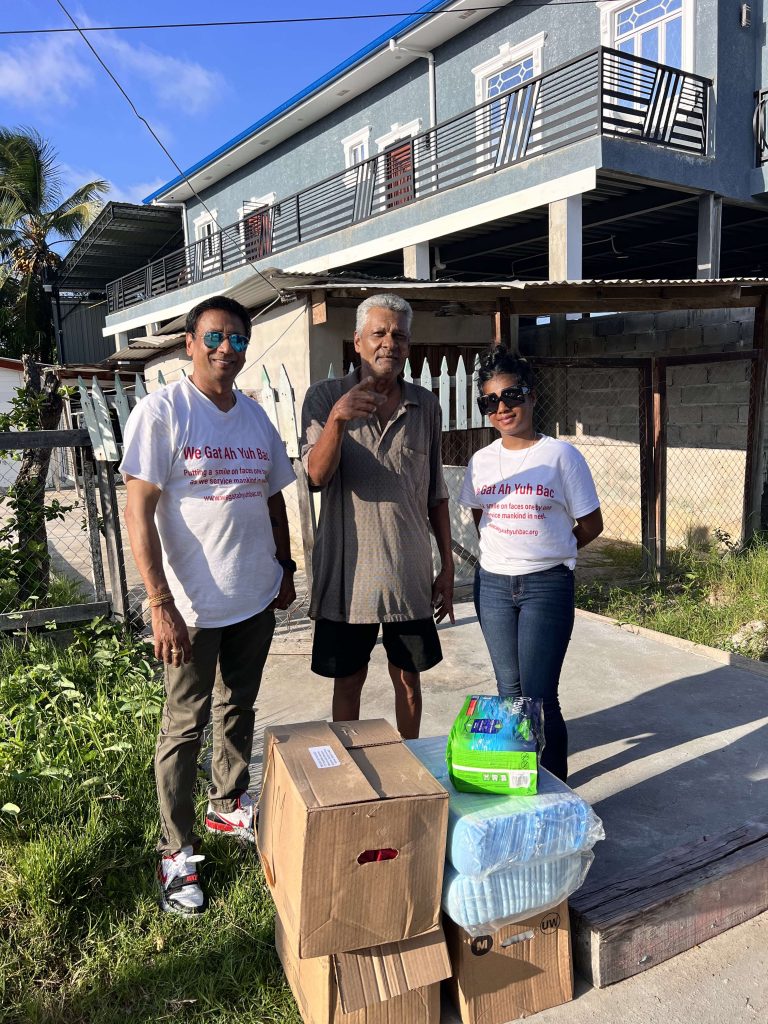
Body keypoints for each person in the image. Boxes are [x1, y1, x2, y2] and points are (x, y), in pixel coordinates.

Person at [120, 295, 297, 916]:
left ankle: (227, 805)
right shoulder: (163, 412)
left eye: (238, 339)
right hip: (190, 607)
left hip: (253, 597)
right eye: (215, 337)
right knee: (183, 726)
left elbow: (273, 498)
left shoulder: (254, 418)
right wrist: (159, 602)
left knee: (239, 705)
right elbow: (137, 511)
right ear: (190, 344)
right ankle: (176, 851)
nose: (227, 349)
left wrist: (284, 567)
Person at [300, 293, 454, 740]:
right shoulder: (324, 398)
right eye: (379, 333)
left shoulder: (425, 405)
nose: (390, 343)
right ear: (357, 342)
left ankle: (411, 760)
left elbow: (436, 493)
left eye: (399, 335)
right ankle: (349, 766)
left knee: (408, 680)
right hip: (348, 578)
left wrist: (446, 566)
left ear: (409, 344)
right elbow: (316, 475)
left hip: (408, 573)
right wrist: (338, 419)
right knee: (349, 681)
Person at [459, 347, 603, 782]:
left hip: (546, 586)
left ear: (532, 396)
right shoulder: (481, 461)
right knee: (510, 694)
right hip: (493, 587)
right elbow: (482, 516)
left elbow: (591, 524)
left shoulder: (561, 456)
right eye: (490, 401)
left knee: (540, 697)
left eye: (512, 395)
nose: (502, 408)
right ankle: (520, 784)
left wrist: (551, 550)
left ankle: (556, 791)